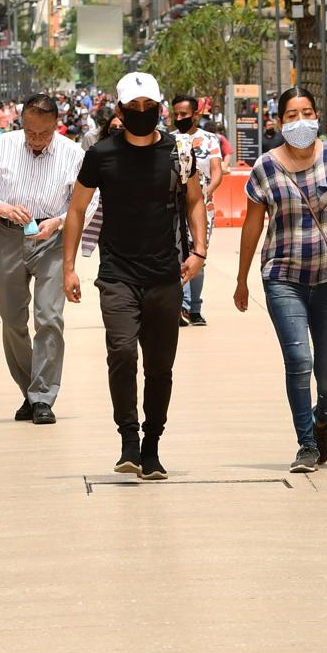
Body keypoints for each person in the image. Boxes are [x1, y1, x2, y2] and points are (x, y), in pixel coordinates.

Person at [64, 71, 207, 481]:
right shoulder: (101, 155)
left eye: (149, 107)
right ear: (120, 110)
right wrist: (69, 267)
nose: (142, 113)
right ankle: (128, 437)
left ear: (160, 109)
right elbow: (77, 209)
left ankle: (152, 445)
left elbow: (195, 201)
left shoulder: (178, 153)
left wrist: (199, 251)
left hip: (165, 274)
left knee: (160, 368)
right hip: (117, 273)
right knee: (123, 353)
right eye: (133, 107)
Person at [236, 87, 327, 474]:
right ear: (280, 122)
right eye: (292, 115)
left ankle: (322, 419)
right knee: (298, 360)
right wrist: (242, 278)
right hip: (283, 277)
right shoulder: (265, 167)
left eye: (307, 113)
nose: (301, 121)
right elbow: (252, 225)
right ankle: (306, 443)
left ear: (318, 117)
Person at [0, 94, 81, 422]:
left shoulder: (73, 154)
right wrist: (1, 207)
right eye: (30, 132)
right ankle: (30, 392)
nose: (36, 140)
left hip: (52, 240)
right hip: (7, 236)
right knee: (11, 320)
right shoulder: (1, 146)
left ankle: (42, 397)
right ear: (21, 123)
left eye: (44, 134)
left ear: (56, 126)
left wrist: (58, 221)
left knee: (49, 318)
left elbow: (86, 203)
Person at [173, 93, 228, 326]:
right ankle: (183, 306)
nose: (179, 118)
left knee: (198, 254)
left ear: (195, 114)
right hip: (176, 208)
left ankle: (194, 308)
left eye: (184, 114)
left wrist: (205, 193)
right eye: (176, 114)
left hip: (203, 207)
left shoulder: (210, 140)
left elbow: (217, 172)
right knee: (179, 254)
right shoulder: (170, 140)